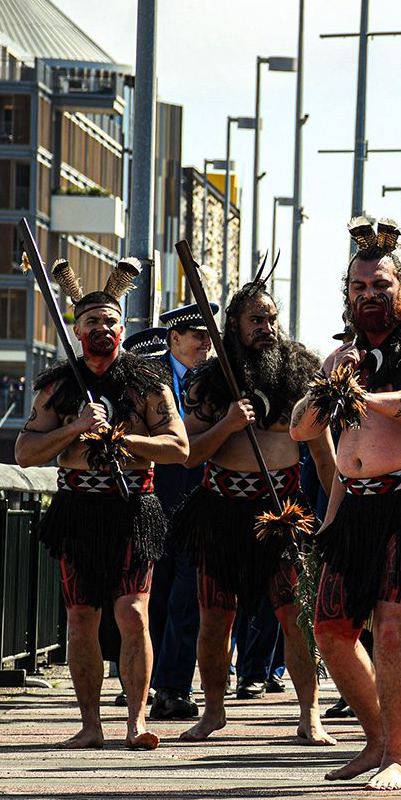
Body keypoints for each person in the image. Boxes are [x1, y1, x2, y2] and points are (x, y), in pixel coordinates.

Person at [289, 216, 401, 790]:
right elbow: (301, 430)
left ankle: (398, 756)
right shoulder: (342, 357)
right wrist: (329, 383)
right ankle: (375, 739)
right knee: (332, 628)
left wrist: (368, 395)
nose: (370, 296)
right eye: (359, 288)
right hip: (355, 507)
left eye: (381, 286)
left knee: (393, 629)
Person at [17, 258, 188, 750]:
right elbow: (25, 453)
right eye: (92, 321)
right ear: (77, 329)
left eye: (111, 321)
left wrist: (122, 439)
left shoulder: (148, 385)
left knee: (134, 614)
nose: (103, 328)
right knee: (80, 618)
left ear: (122, 327)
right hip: (77, 511)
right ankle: (90, 725)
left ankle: (135, 722)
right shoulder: (58, 388)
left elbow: (179, 448)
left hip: (133, 509)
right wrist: (74, 427)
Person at [171, 265, 335, 745]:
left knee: (296, 615)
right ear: (236, 329)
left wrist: (334, 515)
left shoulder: (301, 378)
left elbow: (324, 459)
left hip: (282, 511)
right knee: (214, 618)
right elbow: (188, 454)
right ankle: (213, 712)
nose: (267, 328)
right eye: (256, 321)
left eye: (272, 318)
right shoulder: (208, 384)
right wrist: (225, 424)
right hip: (221, 510)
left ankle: (310, 715)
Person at [146, 302, 216, 721]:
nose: (207, 343)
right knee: (153, 595)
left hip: (199, 502)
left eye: (210, 335)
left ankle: (174, 686)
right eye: (199, 335)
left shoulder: (216, 377)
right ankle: (149, 682)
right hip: (153, 500)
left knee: (186, 598)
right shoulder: (147, 374)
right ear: (174, 338)